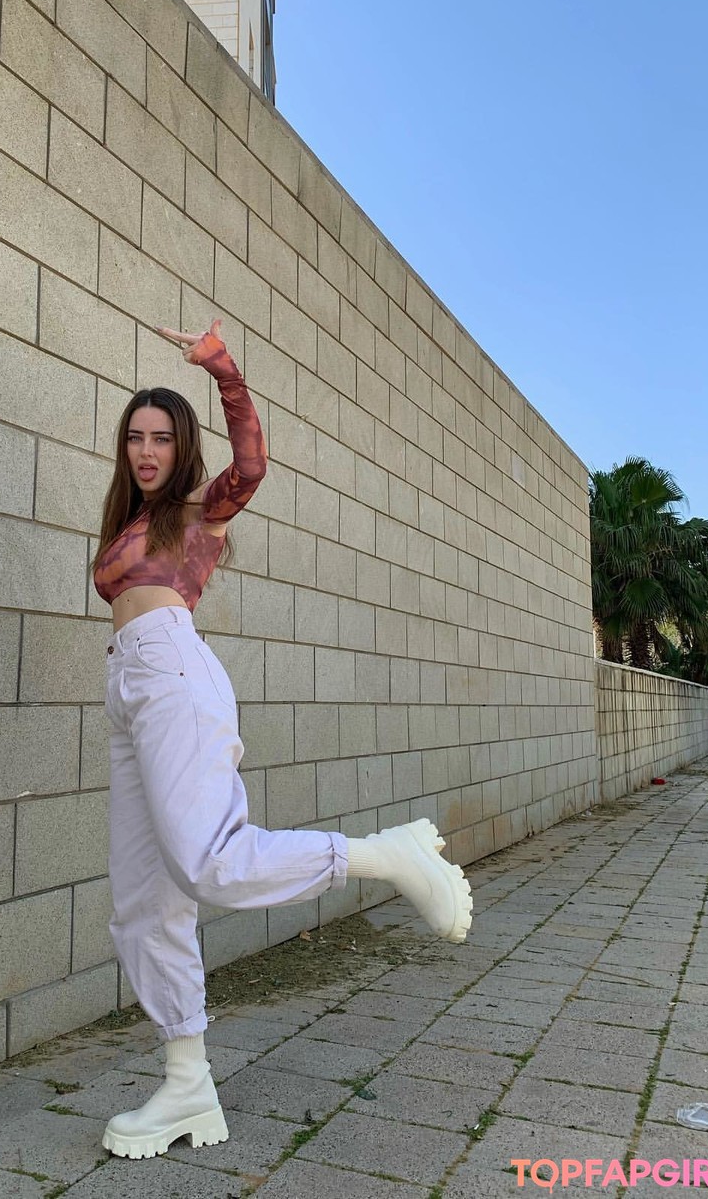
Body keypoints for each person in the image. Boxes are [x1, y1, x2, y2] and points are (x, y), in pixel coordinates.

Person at [91, 318, 472, 1161]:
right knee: (143, 901)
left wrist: (222, 369)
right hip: (130, 688)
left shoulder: (197, 511)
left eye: (161, 438)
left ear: (181, 447)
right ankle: (187, 1083)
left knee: (210, 863)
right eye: (135, 438)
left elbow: (253, 465)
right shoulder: (132, 521)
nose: (146, 450)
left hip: (172, 676)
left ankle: (384, 855)